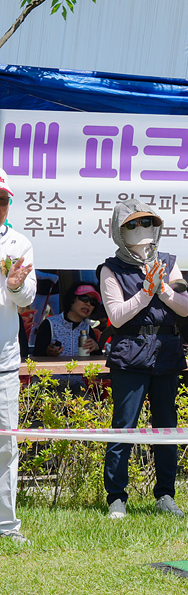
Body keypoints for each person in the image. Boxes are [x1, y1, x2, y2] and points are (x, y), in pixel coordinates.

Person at [99, 200, 188, 520]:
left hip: (166, 349)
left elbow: (184, 306)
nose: (141, 231)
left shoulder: (169, 262)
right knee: (124, 426)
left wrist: (161, 288)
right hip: (129, 352)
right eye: (133, 225)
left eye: (147, 223)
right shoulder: (111, 268)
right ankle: (116, 499)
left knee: (166, 426)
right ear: (119, 232)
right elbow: (117, 316)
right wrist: (145, 291)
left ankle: (165, 495)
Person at [0, 169, 35, 545]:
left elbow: (26, 300)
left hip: (4, 362)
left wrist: (16, 284)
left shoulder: (18, 243)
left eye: (2, 199)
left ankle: (6, 527)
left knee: (6, 445)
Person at [33, 284, 103, 357]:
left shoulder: (88, 329)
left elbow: (96, 361)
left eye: (93, 302)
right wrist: (48, 352)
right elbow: (36, 356)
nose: (88, 304)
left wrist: (96, 348)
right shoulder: (49, 324)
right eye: (84, 298)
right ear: (72, 299)